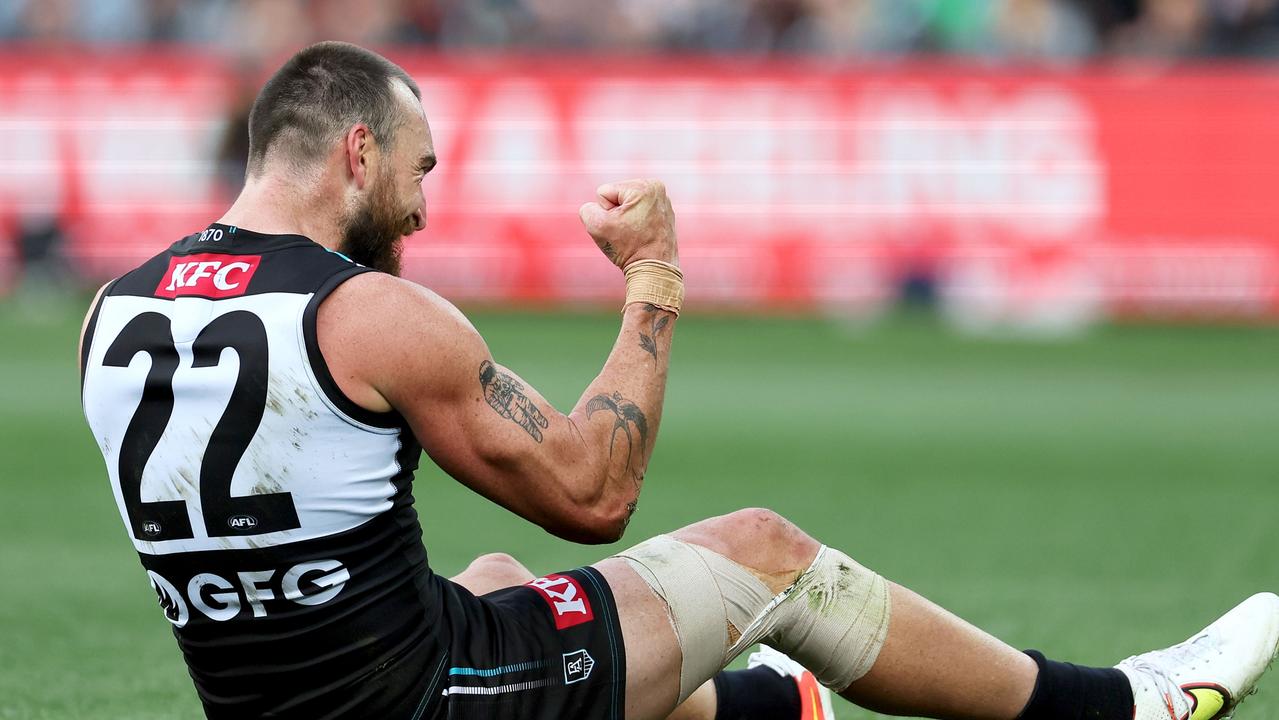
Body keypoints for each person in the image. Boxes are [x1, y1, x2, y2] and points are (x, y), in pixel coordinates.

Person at [79, 41, 1278, 720]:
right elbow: (596, 494)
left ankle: (774, 712)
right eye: (416, 170)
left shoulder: (109, 312)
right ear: (357, 151)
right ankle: (1125, 708)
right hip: (426, 713)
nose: (426, 204)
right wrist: (653, 273)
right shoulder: (373, 315)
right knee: (761, 549)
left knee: (500, 581)